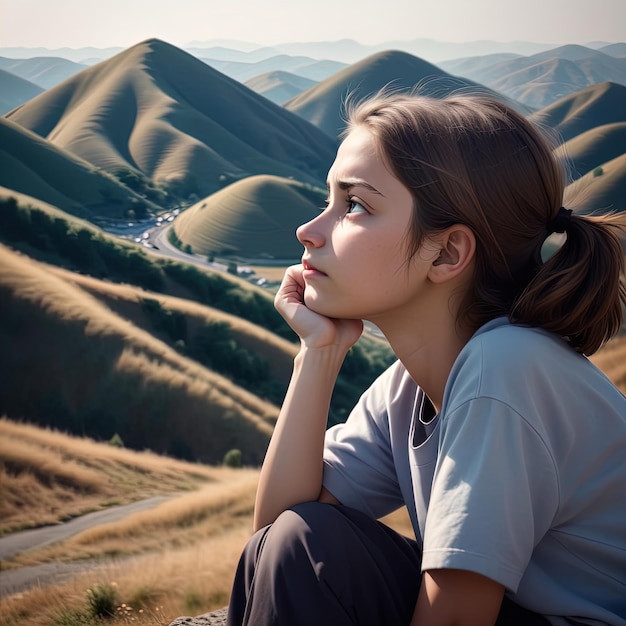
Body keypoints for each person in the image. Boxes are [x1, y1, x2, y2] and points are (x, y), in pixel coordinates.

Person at [226, 92, 626, 626]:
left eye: (355, 206)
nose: (310, 230)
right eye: (329, 200)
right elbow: (275, 539)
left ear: (447, 253)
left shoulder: (503, 371)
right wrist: (317, 355)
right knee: (302, 541)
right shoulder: (409, 387)